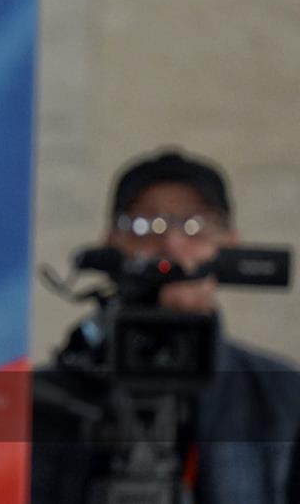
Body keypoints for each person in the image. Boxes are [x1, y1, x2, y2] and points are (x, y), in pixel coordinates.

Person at [32, 149, 300, 503]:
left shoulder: (281, 396)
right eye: (145, 225)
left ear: (229, 246)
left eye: (195, 225)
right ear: (110, 243)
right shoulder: (44, 400)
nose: (170, 244)